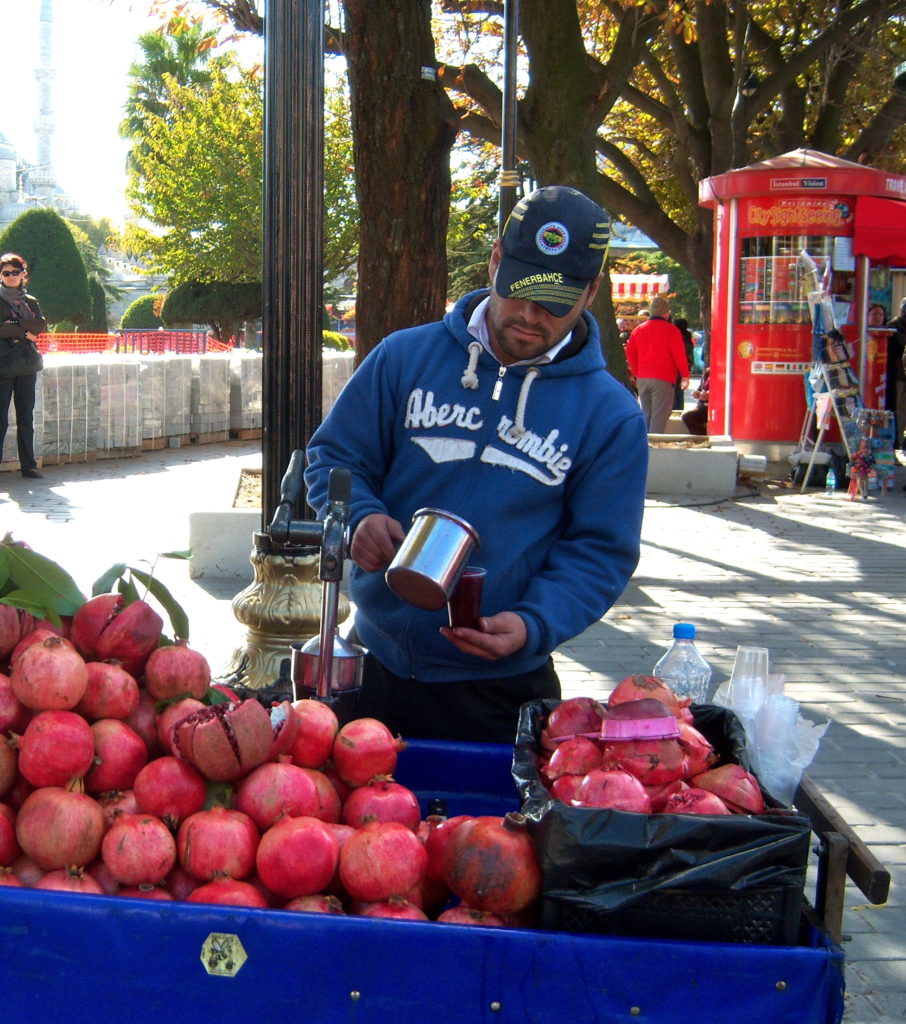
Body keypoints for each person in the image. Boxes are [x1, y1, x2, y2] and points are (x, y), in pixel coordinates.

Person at [305, 185, 649, 744]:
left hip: (501, 689)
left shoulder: (610, 416)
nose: (530, 316)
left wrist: (534, 624)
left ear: (590, 292)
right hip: (377, 669)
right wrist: (359, 517)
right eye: (519, 292)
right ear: (494, 261)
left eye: (553, 302)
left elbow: (600, 551)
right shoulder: (403, 358)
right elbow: (334, 457)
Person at [0, 253, 46, 478]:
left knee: (26, 417)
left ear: (23, 274)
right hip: (3, 365)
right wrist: (25, 331)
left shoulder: (31, 301)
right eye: (6, 272)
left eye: (14, 272)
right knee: (0, 418)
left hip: (27, 364)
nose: (10, 276)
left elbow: (40, 326)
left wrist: (15, 324)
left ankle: (28, 465)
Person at [624, 294, 689, 433]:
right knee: (659, 416)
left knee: (646, 414)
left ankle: (643, 446)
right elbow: (679, 355)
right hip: (663, 378)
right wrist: (685, 375)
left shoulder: (638, 330)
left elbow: (630, 353)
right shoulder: (672, 331)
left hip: (643, 378)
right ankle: (653, 450)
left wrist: (637, 372)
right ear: (666, 313)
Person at [886, 299, 906, 450]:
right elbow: (891, 354)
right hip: (898, 377)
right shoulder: (893, 327)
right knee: (899, 410)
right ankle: (896, 443)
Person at [672, 316, 695, 410]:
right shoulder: (688, 336)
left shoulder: (677, 337)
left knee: (674, 391)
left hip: (675, 368)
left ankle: (675, 408)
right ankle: (679, 408)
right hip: (685, 366)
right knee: (679, 391)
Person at [681, 366, 709, 436]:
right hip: (703, 406)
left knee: (688, 416)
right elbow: (700, 389)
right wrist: (697, 393)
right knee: (687, 416)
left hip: (714, 407)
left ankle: (702, 436)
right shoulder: (707, 372)